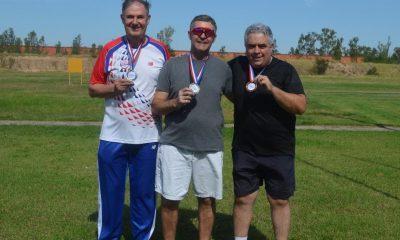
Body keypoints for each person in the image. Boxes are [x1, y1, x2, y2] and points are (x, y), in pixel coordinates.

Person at [88, 0, 170, 239]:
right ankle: (108, 236)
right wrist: (112, 88)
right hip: (113, 136)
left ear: (148, 19)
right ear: (122, 18)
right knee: (110, 194)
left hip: (148, 137)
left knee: (144, 195)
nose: (135, 22)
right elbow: (93, 88)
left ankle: (142, 236)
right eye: (130, 17)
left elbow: (169, 89)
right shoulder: (110, 49)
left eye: (140, 17)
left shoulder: (161, 50)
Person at [151, 14, 232, 240]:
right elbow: (156, 105)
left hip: (210, 144)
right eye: (198, 31)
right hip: (174, 144)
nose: (203, 35)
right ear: (189, 34)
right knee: (170, 200)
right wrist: (175, 102)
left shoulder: (223, 69)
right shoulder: (172, 65)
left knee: (207, 200)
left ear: (214, 37)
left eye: (208, 32)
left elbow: (240, 98)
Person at [228, 23, 307, 240]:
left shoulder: (285, 71)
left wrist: (273, 89)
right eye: (251, 46)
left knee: (279, 200)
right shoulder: (235, 66)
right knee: (243, 199)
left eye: (262, 45)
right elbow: (226, 90)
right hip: (245, 148)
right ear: (245, 47)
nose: (256, 51)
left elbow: (300, 106)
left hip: (278, 149)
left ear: (272, 46)